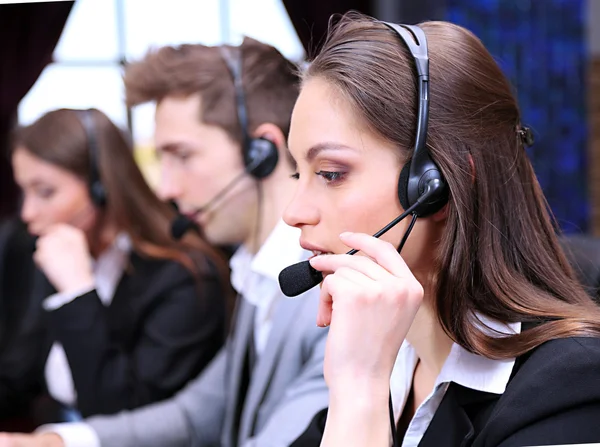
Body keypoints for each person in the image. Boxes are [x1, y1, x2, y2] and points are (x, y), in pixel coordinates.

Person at [280, 12, 600, 447]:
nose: (294, 212)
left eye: (331, 173)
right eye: (299, 174)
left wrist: (359, 389)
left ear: (436, 187)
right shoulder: (389, 375)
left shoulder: (572, 390)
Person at [0, 37, 328, 447]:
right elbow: (195, 415)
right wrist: (54, 442)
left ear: (260, 152)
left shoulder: (325, 293)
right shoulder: (255, 273)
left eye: (183, 156)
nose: (167, 188)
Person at [0, 108, 229, 423]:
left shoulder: (184, 276)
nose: (27, 213)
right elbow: (17, 371)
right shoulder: (49, 248)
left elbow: (125, 413)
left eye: (45, 192)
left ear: (101, 186)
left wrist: (77, 292)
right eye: (24, 191)